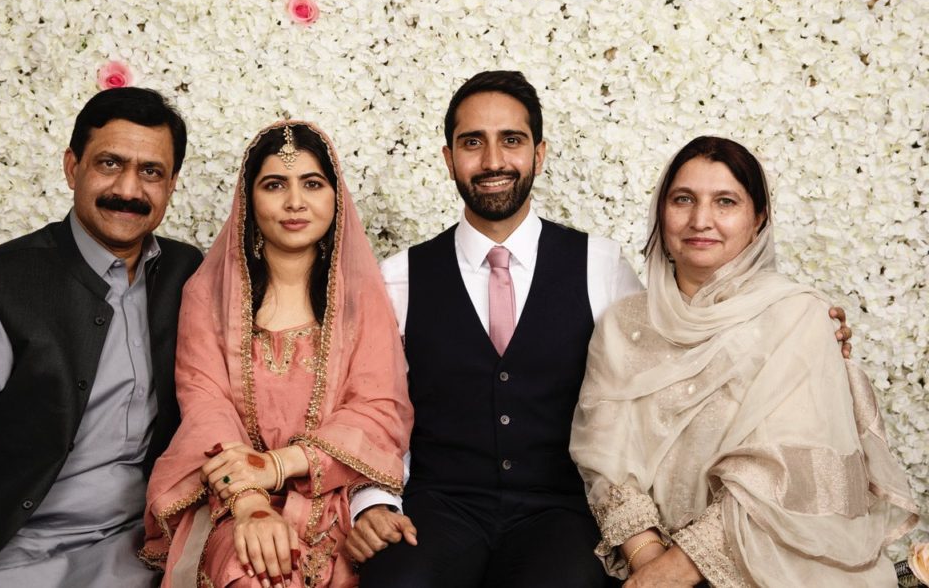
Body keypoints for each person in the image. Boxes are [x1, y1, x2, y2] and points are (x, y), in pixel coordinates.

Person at [348, 71, 854, 587]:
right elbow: (372, 408)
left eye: (512, 141)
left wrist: (804, 336)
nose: (494, 160)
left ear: (539, 155)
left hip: (559, 516)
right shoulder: (398, 278)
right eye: (472, 142)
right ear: (448, 157)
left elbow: (671, 355)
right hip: (439, 511)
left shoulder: (601, 266)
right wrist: (372, 502)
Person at [569, 136, 918, 587]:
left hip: (778, 562)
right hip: (648, 562)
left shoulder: (799, 318)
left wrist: (678, 570)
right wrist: (649, 561)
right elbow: (605, 459)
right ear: (661, 211)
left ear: (758, 220)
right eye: (683, 199)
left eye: (726, 202)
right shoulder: (623, 324)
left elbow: (785, 476)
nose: (701, 220)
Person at [0, 87, 203, 587]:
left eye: (151, 172)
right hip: (17, 559)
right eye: (109, 163)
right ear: (72, 167)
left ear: (172, 184)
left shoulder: (188, 275)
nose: (129, 190)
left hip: (149, 554)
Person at [141, 122, 412, 588]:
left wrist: (280, 465)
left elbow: (378, 410)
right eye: (274, 185)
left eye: (312, 184)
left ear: (335, 196)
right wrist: (250, 501)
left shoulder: (360, 301)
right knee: (254, 572)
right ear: (248, 200)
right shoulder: (208, 296)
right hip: (231, 502)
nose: (294, 202)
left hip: (336, 499)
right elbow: (206, 408)